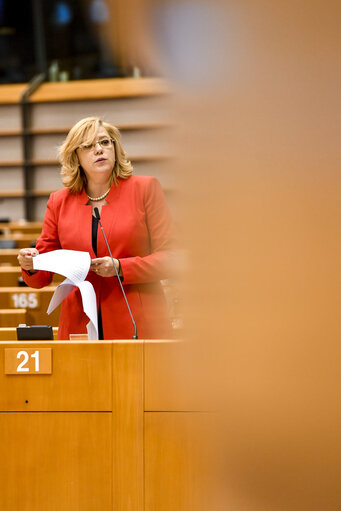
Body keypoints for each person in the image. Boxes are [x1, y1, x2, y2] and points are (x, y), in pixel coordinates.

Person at [18, 117, 175, 340]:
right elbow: (40, 276)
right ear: (76, 157)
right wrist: (30, 263)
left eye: (104, 142)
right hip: (79, 322)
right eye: (89, 146)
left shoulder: (145, 189)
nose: (99, 149)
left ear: (115, 148)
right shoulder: (58, 202)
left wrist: (121, 267)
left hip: (137, 319)